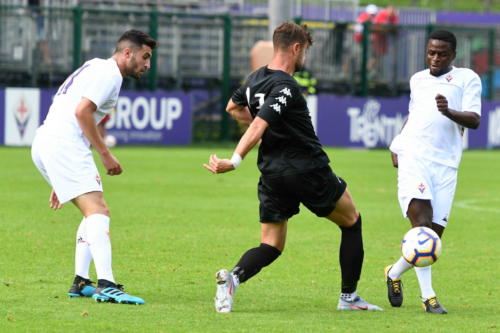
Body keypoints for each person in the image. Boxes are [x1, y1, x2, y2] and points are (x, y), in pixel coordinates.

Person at [203, 22, 382, 313]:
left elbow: (232, 108)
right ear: (297, 48)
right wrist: (235, 160)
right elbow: (260, 124)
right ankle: (349, 298)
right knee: (352, 221)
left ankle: (233, 278)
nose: (305, 59)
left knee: (271, 244)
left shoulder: (253, 79)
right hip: (307, 168)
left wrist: (264, 126)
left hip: (272, 173)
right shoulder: (285, 85)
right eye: (306, 52)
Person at [31, 29, 157, 304]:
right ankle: (107, 284)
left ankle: (80, 281)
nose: (148, 64)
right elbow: (82, 111)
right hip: (64, 143)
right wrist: (105, 153)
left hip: (45, 141)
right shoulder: (109, 74)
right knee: (99, 210)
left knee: (91, 213)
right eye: (145, 57)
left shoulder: (94, 65)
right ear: (128, 52)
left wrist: (58, 175)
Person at [386, 30, 481, 314]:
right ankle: (429, 298)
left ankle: (393, 272)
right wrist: (398, 144)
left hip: (446, 165)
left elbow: (474, 120)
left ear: (453, 55)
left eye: (441, 53)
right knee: (422, 228)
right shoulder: (418, 79)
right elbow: (414, 114)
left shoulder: (468, 79)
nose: (435, 58)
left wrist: (449, 112)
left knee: (433, 237)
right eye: (430, 52)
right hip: (414, 156)